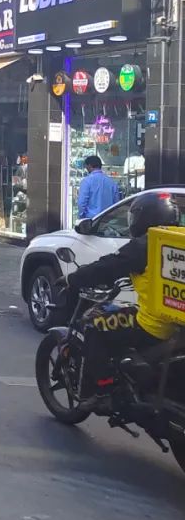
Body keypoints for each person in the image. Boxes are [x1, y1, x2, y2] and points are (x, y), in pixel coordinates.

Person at [69, 190, 181, 379]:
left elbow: (107, 267)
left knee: (93, 326)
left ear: (143, 218)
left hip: (154, 326)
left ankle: (98, 389)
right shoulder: (179, 239)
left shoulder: (148, 243)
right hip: (178, 323)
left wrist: (72, 278)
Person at [77, 154, 119, 219]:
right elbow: (116, 203)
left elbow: (81, 203)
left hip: (92, 219)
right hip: (108, 219)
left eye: (86, 166)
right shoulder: (112, 182)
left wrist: (81, 217)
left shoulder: (86, 181)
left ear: (89, 166)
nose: (86, 168)